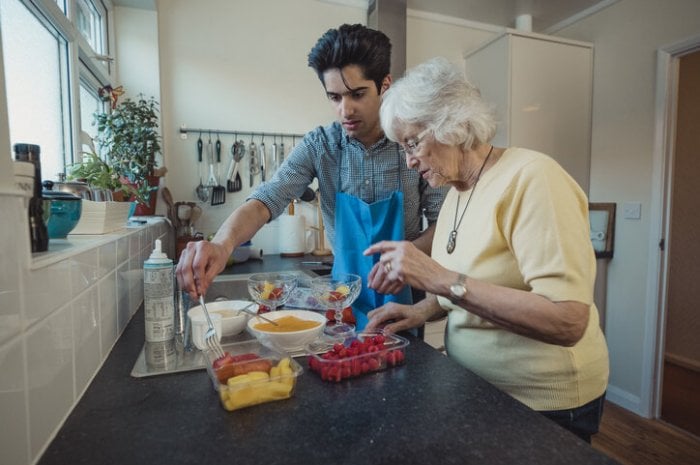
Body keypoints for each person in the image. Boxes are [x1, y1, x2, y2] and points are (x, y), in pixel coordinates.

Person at [363, 57, 609, 443]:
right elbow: (470, 286)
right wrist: (418, 310)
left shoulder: (532, 178)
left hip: (543, 403)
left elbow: (568, 320)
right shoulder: (457, 193)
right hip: (480, 389)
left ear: (452, 125)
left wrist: (438, 279)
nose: (409, 161)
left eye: (412, 143)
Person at [176, 24, 447, 329]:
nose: (345, 110)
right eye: (334, 97)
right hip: (342, 300)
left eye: (357, 94)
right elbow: (269, 197)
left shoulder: (414, 142)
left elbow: (445, 222)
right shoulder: (321, 145)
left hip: (406, 297)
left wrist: (408, 253)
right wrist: (223, 245)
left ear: (385, 84)